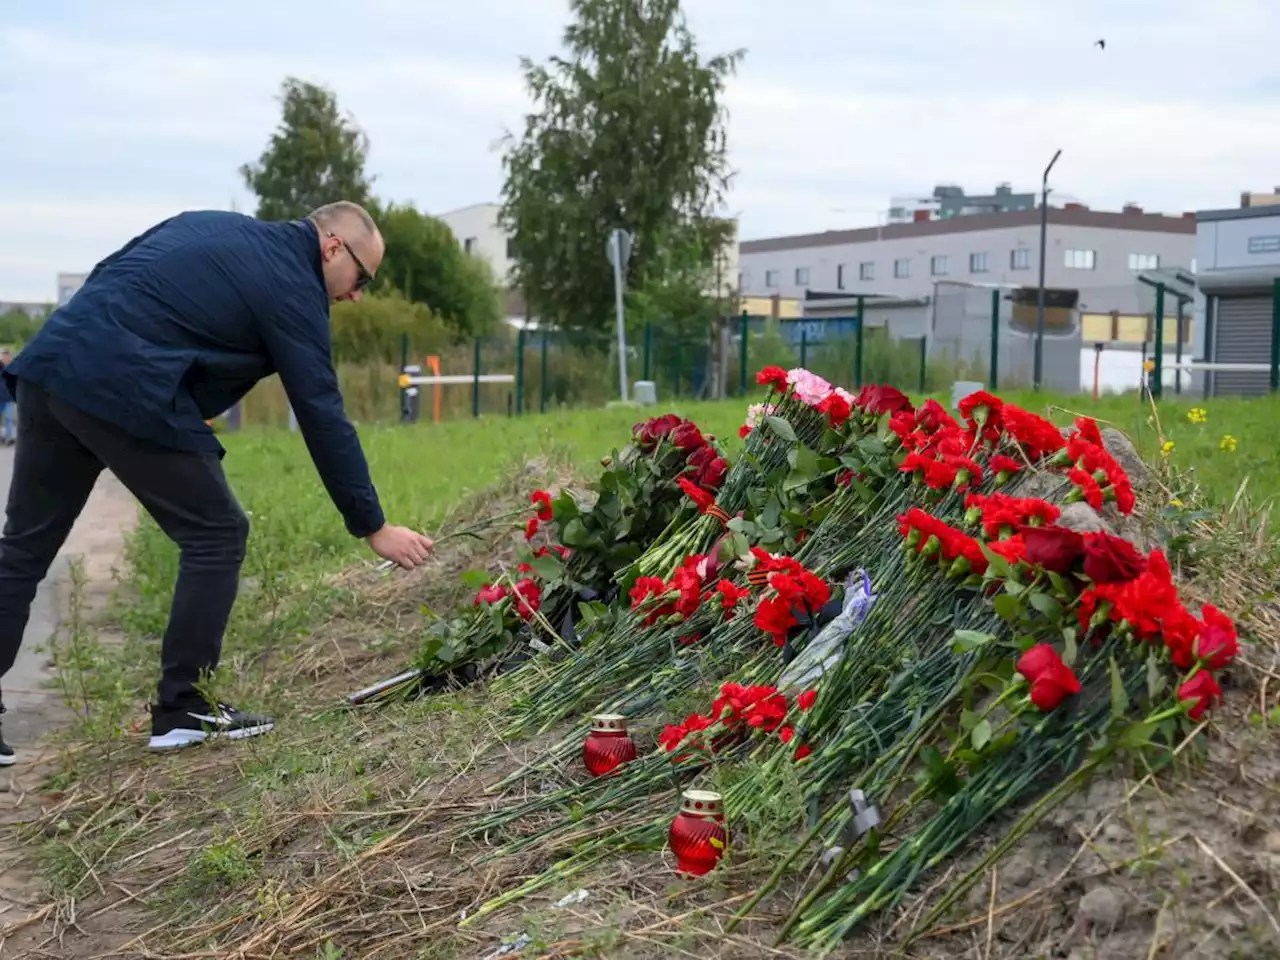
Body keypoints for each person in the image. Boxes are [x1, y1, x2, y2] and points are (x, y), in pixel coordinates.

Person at [0, 202, 434, 760]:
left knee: (23, 551)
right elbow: (321, 411)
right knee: (217, 533)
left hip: (52, 367)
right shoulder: (293, 284)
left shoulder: (215, 227)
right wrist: (371, 525)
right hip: (122, 385)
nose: (356, 295)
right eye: (362, 277)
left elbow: (117, 274)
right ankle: (184, 708)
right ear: (332, 247)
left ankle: (180, 707)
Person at [0, 350, 15, 446]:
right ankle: (2, 437)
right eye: (3, 356)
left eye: (7, 356)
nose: (5, 358)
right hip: (0, 397)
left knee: (9, 418)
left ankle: (8, 437)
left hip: (9, 397)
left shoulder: (12, 368)